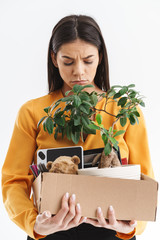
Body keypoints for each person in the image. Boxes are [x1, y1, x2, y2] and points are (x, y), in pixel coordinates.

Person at [1, 15, 154, 240]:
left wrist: (131, 226)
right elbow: (13, 180)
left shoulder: (124, 110)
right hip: (50, 232)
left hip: (112, 233)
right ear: (54, 59)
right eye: (68, 61)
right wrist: (34, 224)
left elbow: (145, 179)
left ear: (100, 57)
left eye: (88, 60)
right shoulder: (33, 112)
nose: (79, 72)